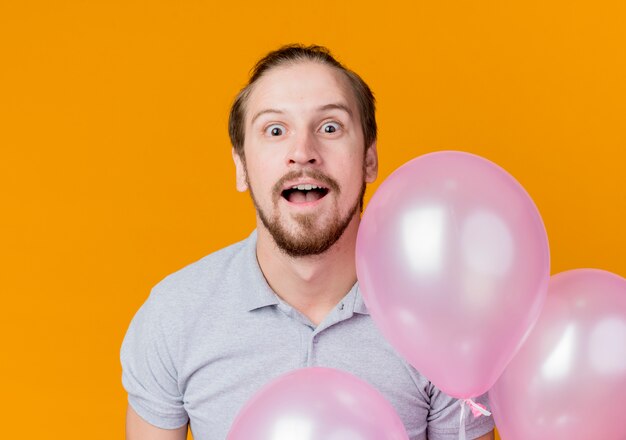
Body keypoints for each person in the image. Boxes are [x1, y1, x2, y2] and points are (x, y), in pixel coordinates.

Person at [121, 44, 495, 440]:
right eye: (275, 130)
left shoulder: (442, 321)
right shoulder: (173, 317)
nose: (302, 153)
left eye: (330, 127)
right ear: (241, 166)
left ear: (369, 159)